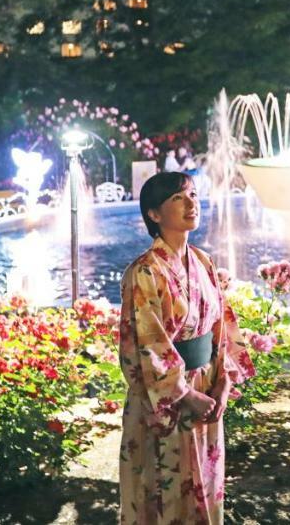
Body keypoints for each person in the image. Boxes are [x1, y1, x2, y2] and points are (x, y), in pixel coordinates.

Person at [118, 171, 254, 525]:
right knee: (166, 485)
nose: (191, 203)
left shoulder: (203, 261)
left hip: (207, 384)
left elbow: (220, 324)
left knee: (206, 485)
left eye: (193, 194)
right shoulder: (144, 272)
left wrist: (223, 380)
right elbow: (146, 342)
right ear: (154, 214)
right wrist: (183, 394)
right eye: (178, 198)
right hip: (169, 397)